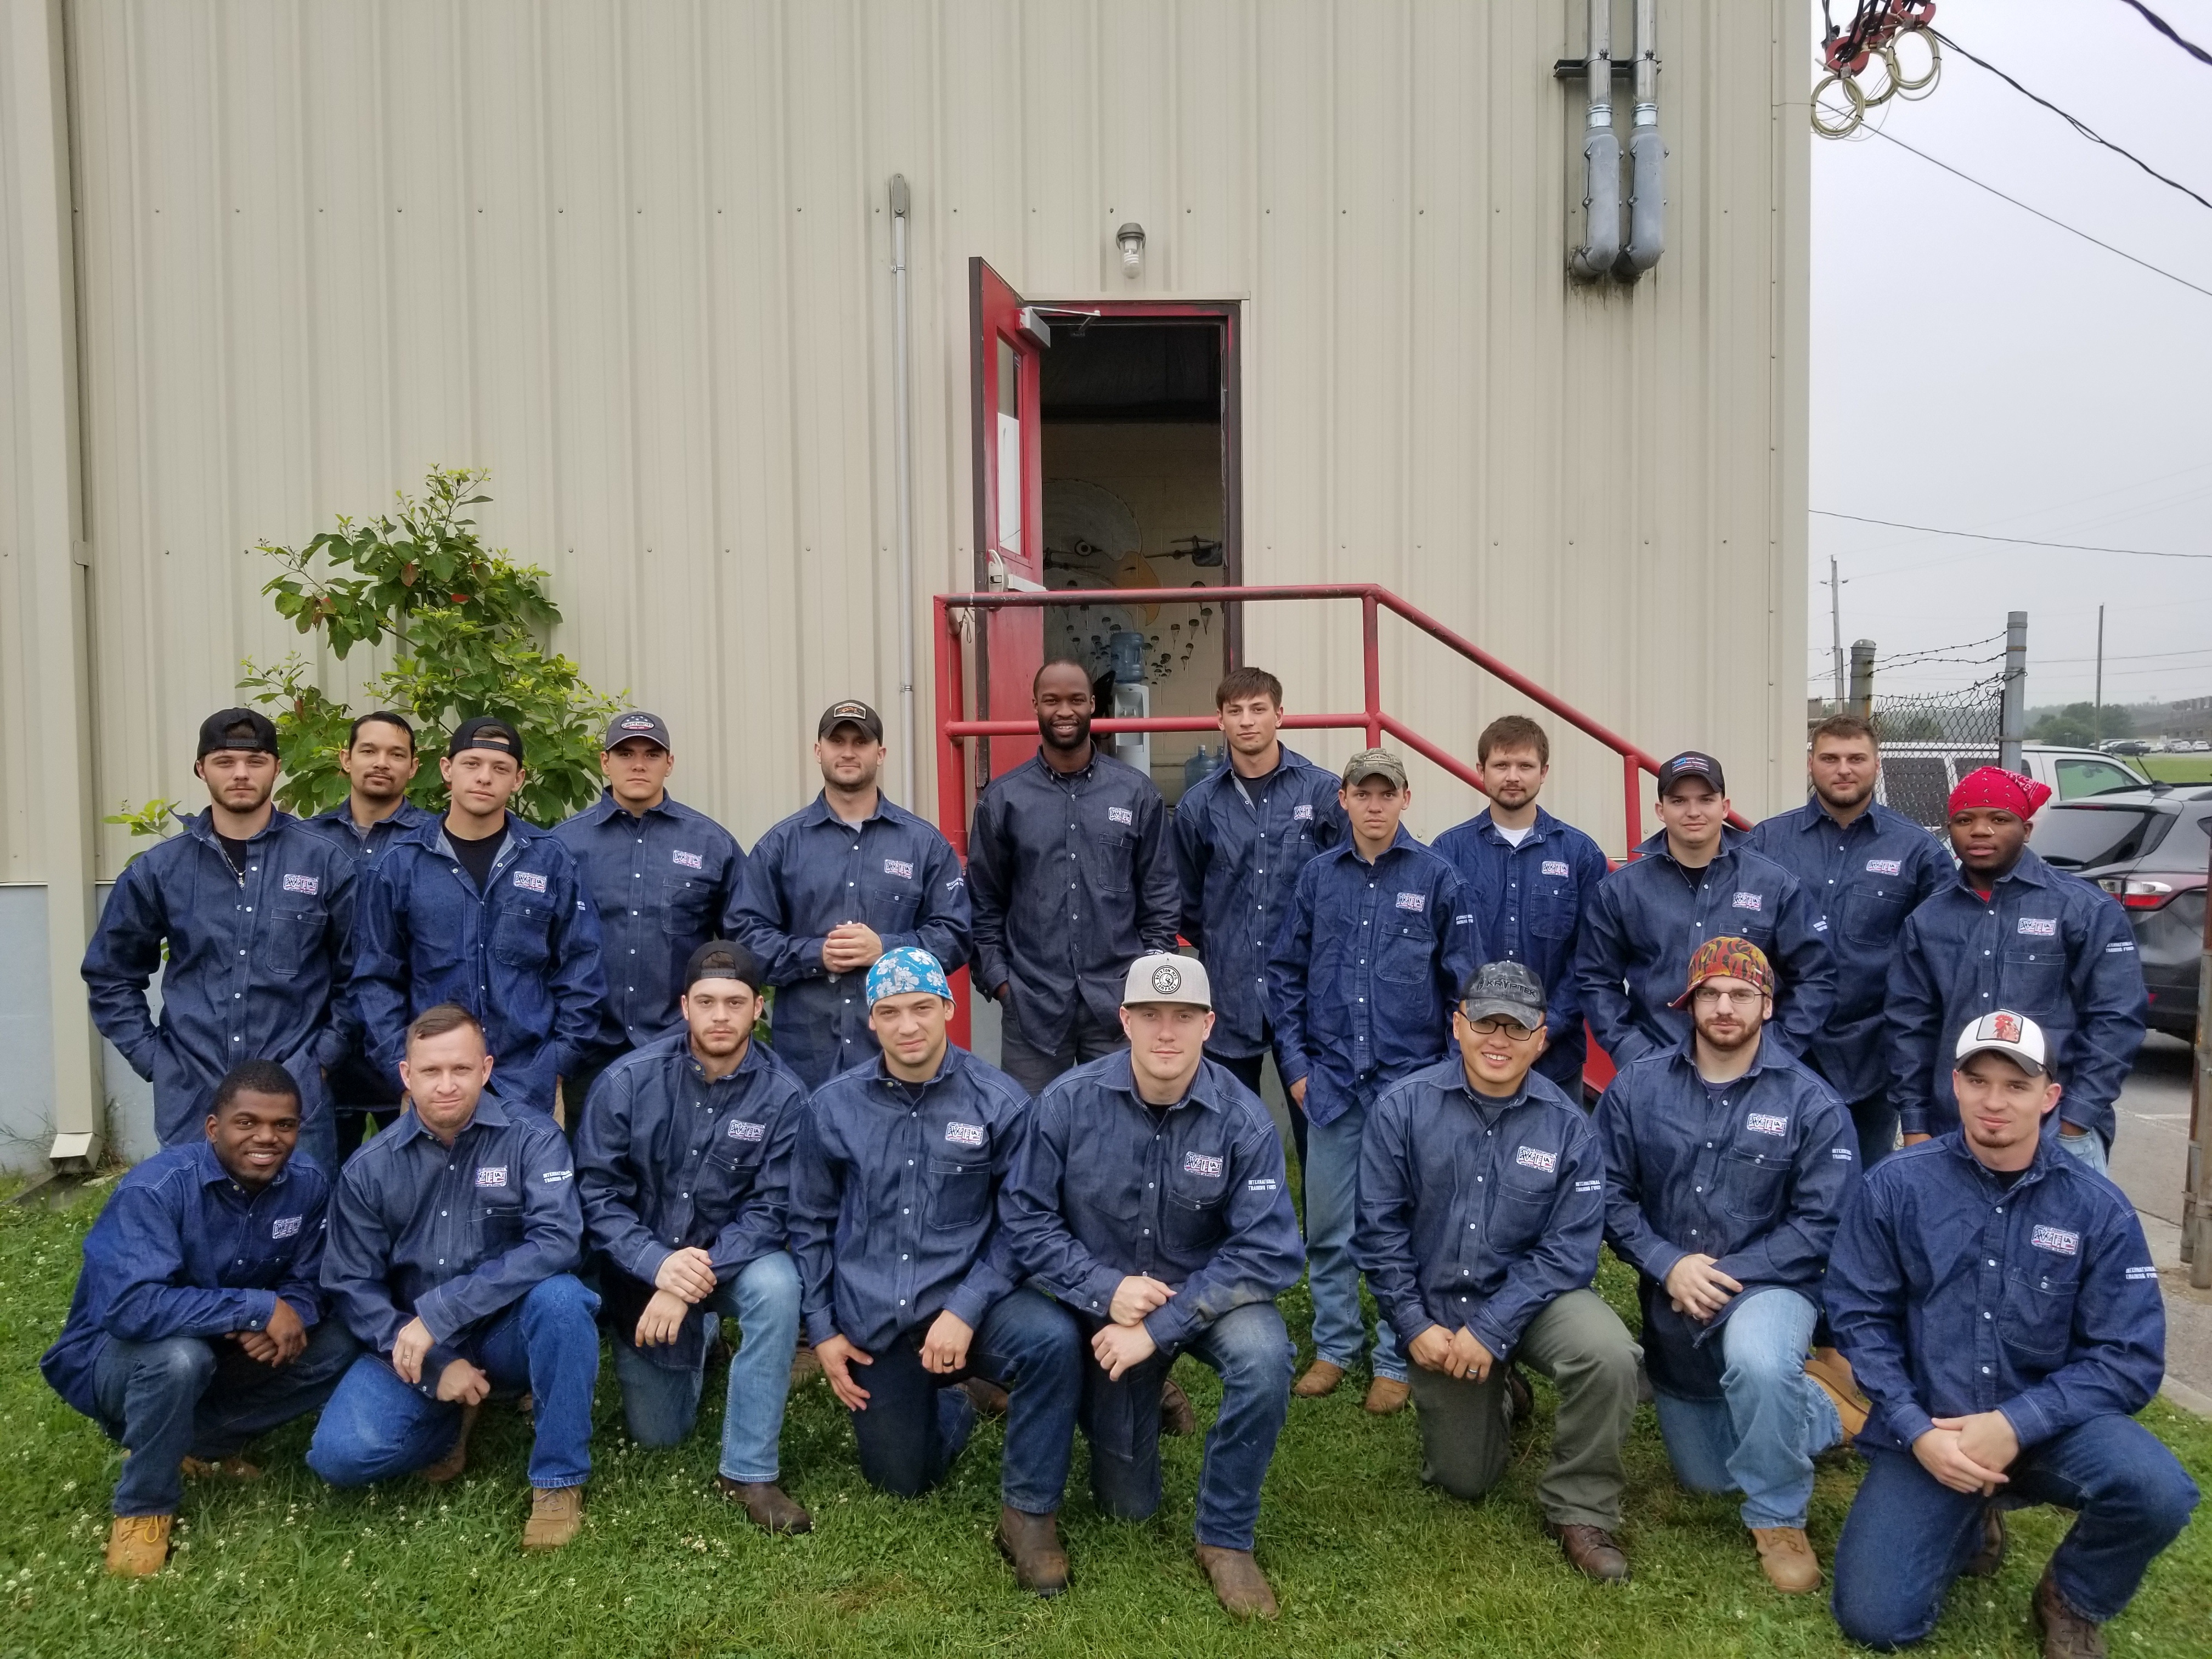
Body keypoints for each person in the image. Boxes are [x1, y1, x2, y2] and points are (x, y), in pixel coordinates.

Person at [1826, 1011, 2198, 1654]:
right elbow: (1859, 1318)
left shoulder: (2098, 1209)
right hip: (1933, 1433)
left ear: (2050, 1096)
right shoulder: (1893, 1187)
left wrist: (2017, 1424)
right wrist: (1916, 1432)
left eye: (2017, 1085)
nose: (1994, 1102)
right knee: (1876, 1621)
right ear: (1956, 1086)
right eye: (1979, 1081)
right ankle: (1968, 1518)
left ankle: (2072, 1597)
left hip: (2053, 1429)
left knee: (2158, 1490)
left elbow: (2131, 1357)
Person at [1001, 953, 1305, 1620]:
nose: (1166, 1033)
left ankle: (1226, 1539)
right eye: (1151, 1017)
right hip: (1104, 1308)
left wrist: (1160, 1328)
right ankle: (1133, 1394)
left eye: (1184, 1018)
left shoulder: (1244, 1120)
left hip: (1202, 1299)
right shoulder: (1067, 1104)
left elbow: (1271, 1251)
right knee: (1127, 1506)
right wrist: (1104, 1289)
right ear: (1126, 1022)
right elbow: (1025, 1219)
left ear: (1208, 1025)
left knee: (1264, 1356)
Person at [791, 947, 1082, 1595]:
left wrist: (967, 1306)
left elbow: (1021, 1223)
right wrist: (824, 1330)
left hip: (969, 1305)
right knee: (902, 1481)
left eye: (922, 1007)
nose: (908, 1025)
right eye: (890, 1012)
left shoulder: (1000, 1102)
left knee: (1052, 1340)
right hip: (876, 1314)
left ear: (948, 1009)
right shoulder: (833, 1107)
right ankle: (959, 1400)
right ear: (872, 1022)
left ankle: (1029, 1517)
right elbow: (808, 1223)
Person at [1356, 961, 1644, 1583]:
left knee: (1610, 1354)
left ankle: (1580, 1507)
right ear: (1457, 1025)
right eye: (1486, 1022)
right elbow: (1379, 1235)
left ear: (1543, 1040)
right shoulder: (1401, 1110)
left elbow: (1570, 1251)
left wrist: (1492, 1330)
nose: (1499, 1040)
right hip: (1438, 1310)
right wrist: (1411, 1325)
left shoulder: (1570, 1127)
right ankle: (1502, 1394)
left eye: (1518, 1028)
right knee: (1465, 1481)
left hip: (1532, 1303)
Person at [1597, 936, 1861, 1594]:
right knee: (1709, 1475)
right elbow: (1605, 1193)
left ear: (1767, 1006)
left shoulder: (1812, 1103)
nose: (1724, 1007)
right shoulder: (1637, 1088)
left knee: (1759, 1361)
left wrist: (1722, 1273)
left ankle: (1778, 1516)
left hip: (1771, 1287)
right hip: (1673, 1301)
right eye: (1710, 994)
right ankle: (1824, 1403)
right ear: (1689, 1004)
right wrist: (1668, 1263)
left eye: (1741, 995)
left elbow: (1823, 1223)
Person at [40, 1060, 359, 1578]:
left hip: (225, 1348)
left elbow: (310, 1279)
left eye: (284, 1126)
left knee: (342, 1339)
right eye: (247, 1123)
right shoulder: (157, 1190)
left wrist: (292, 1313)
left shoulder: (307, 1185)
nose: (267, 1138)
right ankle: (143, 1507)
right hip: (118, 1357)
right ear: (214, 1128)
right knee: (178, 1358)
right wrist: (256, 1309)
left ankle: (198, 1445)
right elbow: (132, 1308)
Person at [308, 1005, 601, 1551]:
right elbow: (351, 1285)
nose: (447, 1085)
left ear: (486, 1069)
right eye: (431, 1072)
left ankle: (558, 1480)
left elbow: (558, 1241)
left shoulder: (532, 1140)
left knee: (564, 1300)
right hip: (415, 1342)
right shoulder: (370, 1168)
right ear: (406, 1076)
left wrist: (442, 1312)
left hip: (508, 1330)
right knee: (339, 1457)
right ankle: (451, 1416)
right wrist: (433, 1364)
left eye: (461, 1070)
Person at [1265, 747, 1480, 1414]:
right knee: (1329, 1228)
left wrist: (1446, 1078)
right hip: (1331, 1088)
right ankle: (1334, 1347)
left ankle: (1395, 1354)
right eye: (1364, 793)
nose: (1376, 805)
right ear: (1346, 801)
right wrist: (1296, 1070)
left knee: (1403, 1228)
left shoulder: (1439, 878)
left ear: (1406, 799)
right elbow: (1284, 975)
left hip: (1410, 1089)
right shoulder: (1317, 879)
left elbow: (1464, 989)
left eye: (1388, 794)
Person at [574, 941, 811, 1534]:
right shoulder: (627, 1082)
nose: (721, 1016)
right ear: (684, 1006)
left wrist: (690, 1279)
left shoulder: (786, 1097)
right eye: (706, 1001)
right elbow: (596, 1196)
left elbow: (773, 1208)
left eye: (736, 1002)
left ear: (759, 1008)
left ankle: (749, 1470)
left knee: (780, 1286)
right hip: (642, 1271)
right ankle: (702, 1341)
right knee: (660, 1434)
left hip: (730, 1264)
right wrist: (657, 1266)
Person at [82, 707, 359, 1171]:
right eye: (225, 762)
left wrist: (322, 1060)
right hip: (194, 1097)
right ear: (201, 769)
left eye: (255, 762)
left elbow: (361, 973)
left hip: (294, 1097)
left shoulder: (324, 862)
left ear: (276, 766)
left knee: (302, 1232)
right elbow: (111, 974)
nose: (241, 774)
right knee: (199, 1232)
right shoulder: (161, 870)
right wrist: (157, 1060)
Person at [1889, 767, 2146, 1172]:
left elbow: (2116, 1019)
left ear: (2026, 830)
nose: (1980, 831)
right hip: (1950, 1131)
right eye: (1965, 820)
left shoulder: (2083, 910)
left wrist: (2076, 1120)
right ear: (1950, 829)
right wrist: (1916, 1125)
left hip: (2056, 1129)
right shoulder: (1927, 920)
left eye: (1998, 819)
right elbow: (1910, 1026)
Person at [352, 716, 610, 1117]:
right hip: (434, 1087)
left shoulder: (549, 860)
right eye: (472, 764)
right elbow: (375, 977)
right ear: (447, 770)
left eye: (500, 768)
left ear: (519, 779)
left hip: (528, 1086)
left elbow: (582, 967)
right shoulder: (401, 864)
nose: (484, 778)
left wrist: (559, 1063)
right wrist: (400, 1068)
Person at [967, 658, 1180, 1096]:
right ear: (1036, 707)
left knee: (1120, 1134)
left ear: (1093, 705)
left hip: (1119, 1006)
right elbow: (984, 904)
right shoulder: (1004, 801)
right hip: (1032, 1007)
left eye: (1076, 700)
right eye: (1052, 700)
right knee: (1029, 1139)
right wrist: (1003, 985)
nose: (1064, 710)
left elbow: (1160, 895)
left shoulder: (1136, 793)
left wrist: (1144, 980)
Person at [734, 699, 971, 1090]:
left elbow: (956, 934)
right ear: (818, 751)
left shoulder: (923, 845)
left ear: (879, 754)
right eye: (837, 741)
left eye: (860, 743)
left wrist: (887, 949)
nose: (847, 752)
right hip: (805, 1056)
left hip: (897, 1053)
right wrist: (816, 955)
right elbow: (746, 936)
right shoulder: (781, 845)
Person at [1746, 715, 1947, 1167]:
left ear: (1877, 765)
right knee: (1774, 1173)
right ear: (1810, 765)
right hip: (1782, 1045)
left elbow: (1939, 954)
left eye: (1857, 758)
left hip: (1873, 1055)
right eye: (1830, 758)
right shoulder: (1767, 841)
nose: (1844, 769)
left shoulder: (1917, 851)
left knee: (1865, 1179)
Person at [1171, 667, 1347, 1167]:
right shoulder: (1198, 806)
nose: (1247, 722)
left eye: (1258, 709)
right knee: (1225, 1125)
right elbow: (1184, 895)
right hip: (1228, 987)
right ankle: (1239, 1231)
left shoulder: (1320, 793)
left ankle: (1323, 1238)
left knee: (1318, 1127)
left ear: (1280, 715)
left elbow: (1346, 881)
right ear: (1220, 720)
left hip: (1309, 989)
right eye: (1235, 711)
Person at [1574, 750, 1833, 1069]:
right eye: (1679, 801)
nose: (1693, 812)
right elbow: (1595, 979)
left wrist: (1775, 1049)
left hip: (1753, 1072)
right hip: (1655, 1067)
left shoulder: (1774, 885)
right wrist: (1632, 1051)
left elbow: (1815, 976)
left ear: (1725, 807)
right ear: (1660, 810)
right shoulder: (1623, 889)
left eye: (1706, 800)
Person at [552, 712, 749, 1102]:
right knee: (595, 1162)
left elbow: (742, 947)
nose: (639, 764)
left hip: (683, 1047)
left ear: (669, 763)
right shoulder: (563, 846)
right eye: (625, 754)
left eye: (651, 754)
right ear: (605, 762)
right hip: (589, 1049)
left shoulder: (712, 844)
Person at [1433, 715, 1611, 1097]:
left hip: (1553, 1057)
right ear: (1481, 771)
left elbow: (1591, 958)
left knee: (1554, 1156)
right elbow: (1440, 955)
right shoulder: (1448, 854)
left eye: (1525, 766)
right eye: (1501, 765)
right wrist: (1474, 1028)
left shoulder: (1580, 855)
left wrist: (1545, 1029)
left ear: (1544, 772)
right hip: (1469, 1053)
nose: (1513, 776)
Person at [309, 710, 436, 1154]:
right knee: (319, 1185)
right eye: (369, 751)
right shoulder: (309, 842)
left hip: (403, 1037)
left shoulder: (434, 841)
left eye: (396, 754)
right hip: (319, 1043)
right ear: (346, 759)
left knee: (405, 1183)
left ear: (414, 768)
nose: (381, 762)